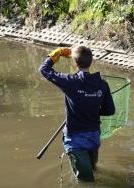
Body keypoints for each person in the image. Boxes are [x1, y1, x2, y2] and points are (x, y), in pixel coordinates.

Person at [39, 46, 115, 182]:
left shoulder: (69, 81)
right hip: (93, 138)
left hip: (75, 141)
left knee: (86, 182)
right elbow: (110, 111)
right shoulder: (102, 84)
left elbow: (44, 70)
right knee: (93, 170)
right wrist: (91, 108)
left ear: (74, 63)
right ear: (91, 62)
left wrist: (53, 56)